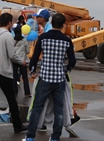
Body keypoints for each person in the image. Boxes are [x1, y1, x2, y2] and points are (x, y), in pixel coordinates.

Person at [24, 13, 76, 141]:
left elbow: (35, 56)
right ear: (63, 25)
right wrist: (66, 69)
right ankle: (55, 137)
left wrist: (32, 70)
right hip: (59, 79)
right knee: (59, 110)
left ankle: (30, 136)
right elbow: (72, 61)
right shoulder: (67, 40)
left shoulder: (44, 37)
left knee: (37, 107)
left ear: (51, 23)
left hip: (45, 77)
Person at [0, 12, 28, 134]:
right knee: (11, 99)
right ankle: (17, 125)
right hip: (2, 70)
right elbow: (12, 55)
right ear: (9, 22)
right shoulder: (7, 36)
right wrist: (22, 62)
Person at [13, 25, 31, 97]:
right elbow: (27, 51)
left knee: (14, 76)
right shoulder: (24, 41)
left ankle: (14, 92)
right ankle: (27, 92)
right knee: (25, 77)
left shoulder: (12, 40)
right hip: (23, 61)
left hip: (14, 60)